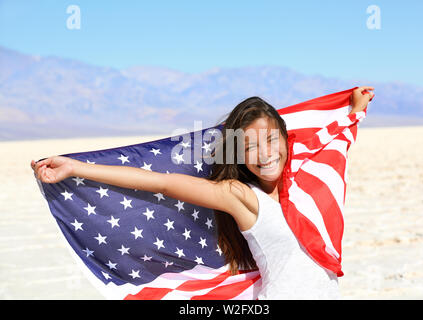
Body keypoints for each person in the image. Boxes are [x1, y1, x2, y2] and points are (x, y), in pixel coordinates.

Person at [31, 86, 374, 299]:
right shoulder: (240, 196)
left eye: (271, 140)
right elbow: (161, 182)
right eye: (250, 146)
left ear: (287, 139)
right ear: (237, 152)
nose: (266, 154)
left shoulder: (309, 177)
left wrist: (355, 110)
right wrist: (76, 167)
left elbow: (337, 138)